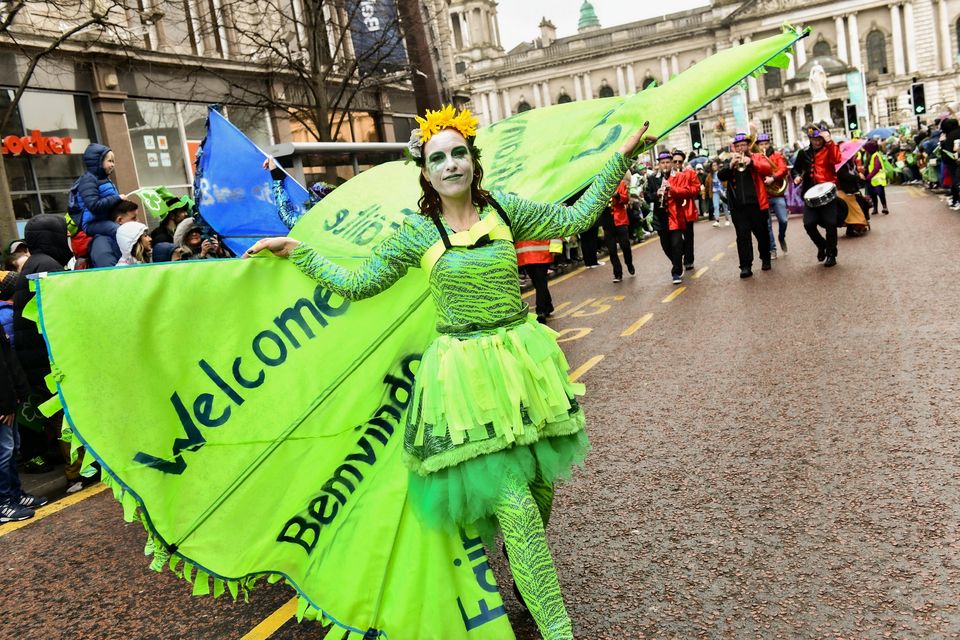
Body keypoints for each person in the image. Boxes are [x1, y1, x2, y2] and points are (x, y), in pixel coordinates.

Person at [245, 105, 654, 640]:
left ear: (473, 160)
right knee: (516, 506)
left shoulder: (504, 210)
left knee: (539, 496)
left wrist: (618, 161)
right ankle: (558, 629)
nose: (450, 164)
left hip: (523, 368)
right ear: (426, 171)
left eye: (458, 152)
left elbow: (573, 220)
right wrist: (299, 251)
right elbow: (361, 282)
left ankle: (524, 567)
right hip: (464, 379)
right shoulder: (417, 232)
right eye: (438, 158)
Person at [12, 214, 89, 490]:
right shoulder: (48, 265)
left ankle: (76, 469)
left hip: (36, 357)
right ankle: (77, 473)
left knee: (59, 415)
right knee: (64, 414)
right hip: (50, 357)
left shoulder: (34, 264)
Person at [718, 132, 774, 278]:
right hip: (738, 207)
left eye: (743, 145)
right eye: (738, 146)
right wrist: (730, 166)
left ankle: (765, 258)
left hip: (757, 204)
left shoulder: (757, 157)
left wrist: (752, 162)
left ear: (748, 145)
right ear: (734, 147)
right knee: (742, 237)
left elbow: (768, 168)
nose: (741, 148)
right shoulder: (730, 161)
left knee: (762, 234)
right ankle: (745, 266)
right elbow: (721, 176)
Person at [792, 123, 843, 267]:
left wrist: (829, 141)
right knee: (808, 224)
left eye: (819, 139)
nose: (817, 142)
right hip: (810, 194)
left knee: (830, 224)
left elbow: (837, 159)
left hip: (828, 193)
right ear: (809, 138)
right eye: (814, 139)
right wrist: (796, 176)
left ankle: (831, 254)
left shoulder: (829, 149)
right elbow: (796, 169)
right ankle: (822, 245)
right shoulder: (803, 153)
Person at [646, 151, 697, 284]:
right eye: (662, 163)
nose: (665, 165)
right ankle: (677, 260)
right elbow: (647, 196)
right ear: (659, 164)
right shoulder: (652, 178)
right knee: (666, 247)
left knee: (676, 244)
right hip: (660, 217)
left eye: (668, 162)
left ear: (671, 163)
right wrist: (656, 194)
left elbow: (686, 192)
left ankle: (676, 272)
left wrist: (672, 189)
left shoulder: (680, 176)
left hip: (676, 216)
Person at [71, 143, 128, 239]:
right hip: (92, 223)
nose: (112, 165)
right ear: (98, 161)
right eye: (109, 161)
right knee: (118, 231)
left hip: (106, 219)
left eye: (113, 161)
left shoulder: (106, 180)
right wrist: (117, 198)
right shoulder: (88, 180)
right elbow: (94, 206)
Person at [757, 133, 789, 257]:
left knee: (784, 220)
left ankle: (781, 237)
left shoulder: (776, 155)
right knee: (767, 225)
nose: (764, 146)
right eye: (761, 144)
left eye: (766, 144)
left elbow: (783, 169)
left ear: (769, 144)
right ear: (758, 146)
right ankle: (772, 248)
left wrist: (773, 177)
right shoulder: (756, 157)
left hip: (776, 193)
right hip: (763, 194)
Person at [89, 200, 139, 268]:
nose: (138, 221)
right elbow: (110, 274)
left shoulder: (123, 239)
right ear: (120, 220)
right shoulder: (101, 244)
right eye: (133, 218)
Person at [604, 174, 635, 282]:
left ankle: (629, 263)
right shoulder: (601, 187)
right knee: (612, 250)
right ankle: (617, 273)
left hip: (620, 220)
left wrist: (617, 195)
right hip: (608, 221)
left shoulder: (620, 184)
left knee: (625, 246)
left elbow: (626, 199)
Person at [672, 149, 699, 270]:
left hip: (687, 209)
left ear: (683, 161)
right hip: (674, 211)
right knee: (676, 238)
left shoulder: (690, 173)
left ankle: (689, 260)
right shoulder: (669, 174)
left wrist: (686, 191)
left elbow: (696, 188)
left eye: (679, 161)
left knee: (689, 236)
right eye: (675, 161)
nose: (677, 163)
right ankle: (681, 252)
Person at [862, 140, 890, 216]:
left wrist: (869, 176)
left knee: (880, 193)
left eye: (866, 148)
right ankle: (875, 208)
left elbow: (876, 167)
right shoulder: (869, 155)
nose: (865, 150)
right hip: (870, 179)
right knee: (872, 194)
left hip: (877, 179)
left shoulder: (876, 155)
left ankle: (884, 207)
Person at [709, 160, 730, 227]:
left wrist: (726, 190)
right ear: (711, 167)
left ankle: (727, 220)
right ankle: (717, 221)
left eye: (715, 165)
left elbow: (726, 181)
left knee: (725, 206)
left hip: (722, 191)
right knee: (716, 206)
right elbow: (707, 185)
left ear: (717, 166)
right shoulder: (710, 175)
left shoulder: (721, 172)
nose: (714, 166)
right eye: (713, 165)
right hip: (715, 192)